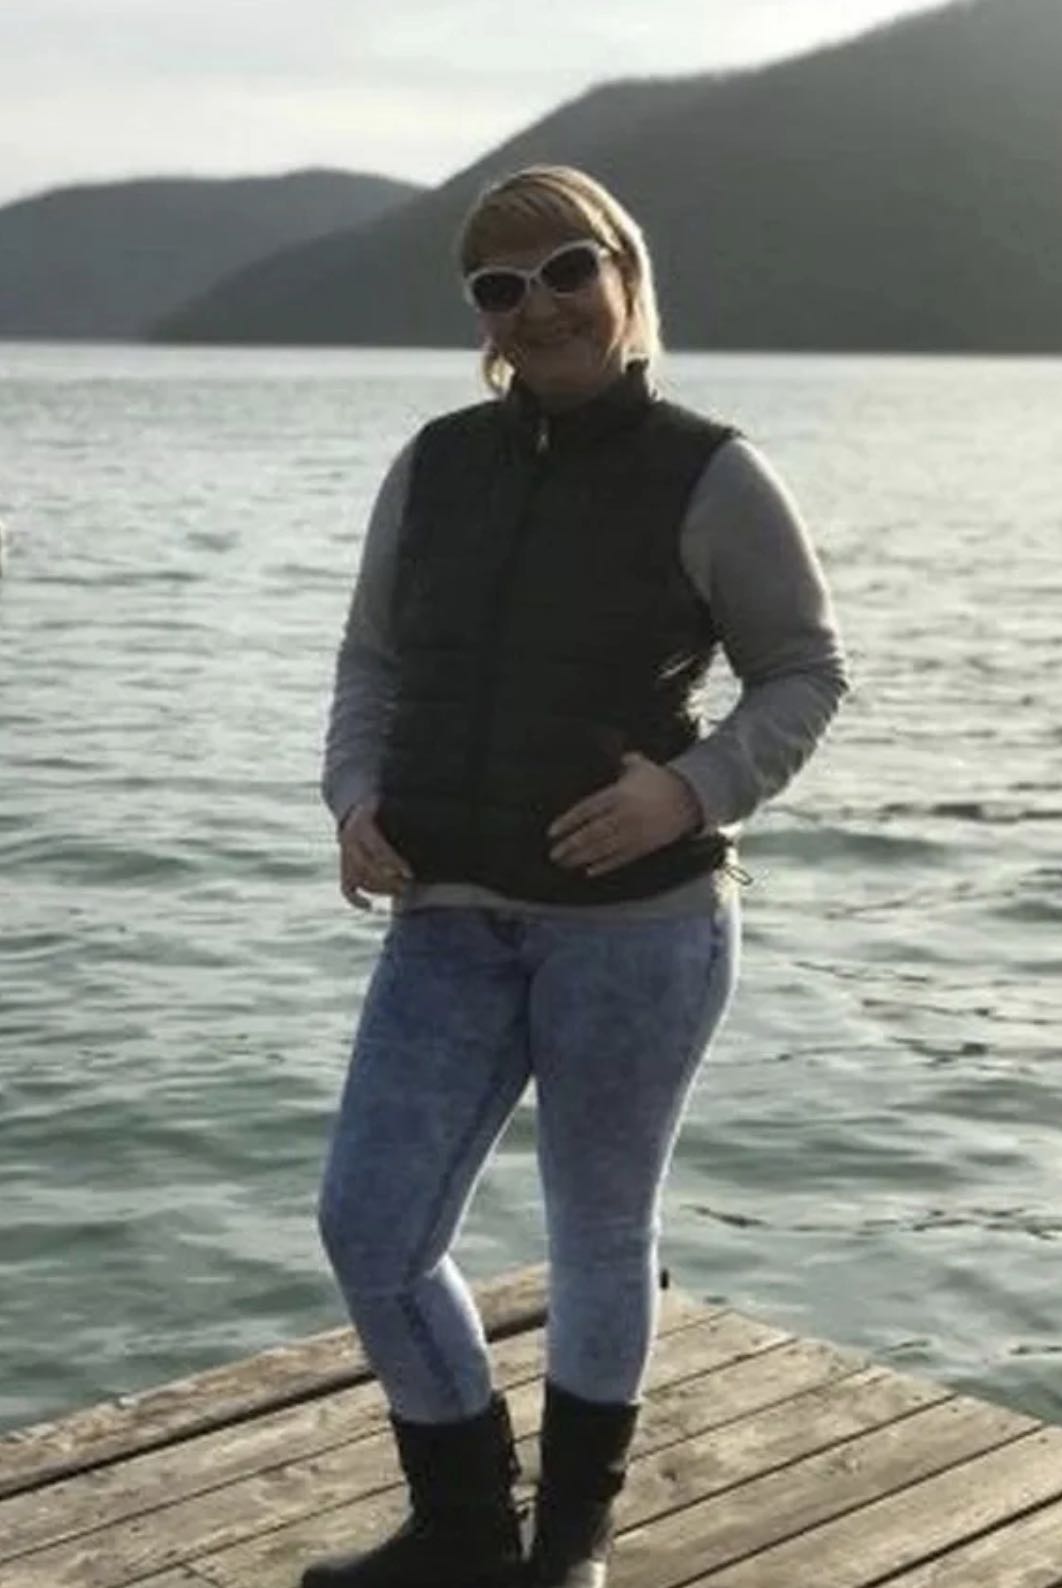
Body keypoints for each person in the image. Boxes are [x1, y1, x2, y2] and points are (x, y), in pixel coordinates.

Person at [307, 165, 849, 1588]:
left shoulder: (711, 471)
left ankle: (569, 1549)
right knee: (370, 1225)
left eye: (565, 270)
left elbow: (802, 672)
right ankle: (465, 1528)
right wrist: (353, 796)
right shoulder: (434, 464)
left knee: (598, 1234)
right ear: (480, 318)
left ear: (623, 274)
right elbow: (371, 660)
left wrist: (689, 789)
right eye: (501, 286)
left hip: (638, 928)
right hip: (444, 914)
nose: (537, 305)